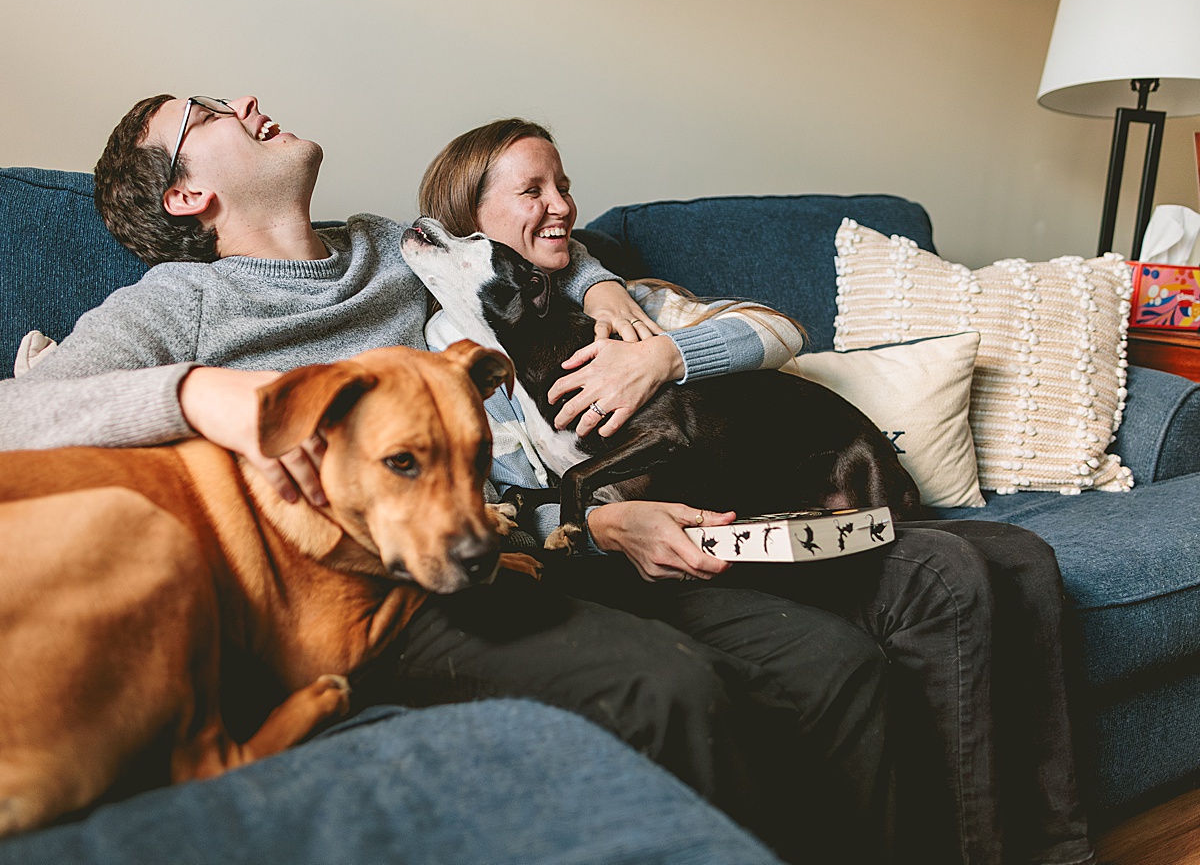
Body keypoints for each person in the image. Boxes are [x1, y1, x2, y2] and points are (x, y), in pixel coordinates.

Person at [0, 94, 893, 865]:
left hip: (539, 532)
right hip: (374, 586)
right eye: (211, 114)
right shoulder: (178, 304)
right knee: (661, 689)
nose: (250, 103)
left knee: (830, 664)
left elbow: (541, 250)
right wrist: (202, 395)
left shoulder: (399, 244)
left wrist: (599, 291)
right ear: (186, 195)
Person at [416, 117, 1099, 865]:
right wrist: (600, 519)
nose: (563, 205)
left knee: (1025, 558)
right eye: (533, 190)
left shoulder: (624, 300)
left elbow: (779, 330)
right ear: (468, 226)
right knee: (947, 576)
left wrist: (664, 355)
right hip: (664, 541)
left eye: (565, 185)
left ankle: (1056, 851)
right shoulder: (459, 355)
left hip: (766, 499)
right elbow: (500, 496)